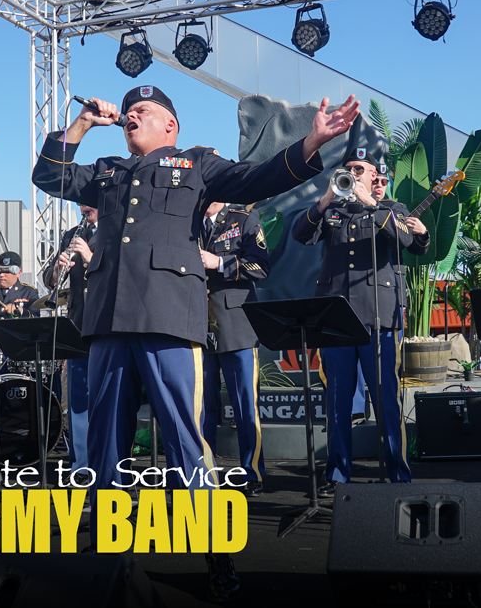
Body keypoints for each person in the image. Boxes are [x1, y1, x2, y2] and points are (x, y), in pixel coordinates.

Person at [32, 84, 354, 601]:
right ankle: (107, 561)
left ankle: (217, 557)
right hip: (108, 321)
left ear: (170, 125)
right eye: (128, 111)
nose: (131, 115)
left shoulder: (196, 163)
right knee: (105, 449)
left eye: (143, 111)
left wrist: (312, 143)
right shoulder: (108, 170)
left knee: (187, 442)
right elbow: (49, 176)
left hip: (167, 316)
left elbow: (258, 178)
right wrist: (83, 124)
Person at [292, 148, 429, 494]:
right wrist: (326, 198)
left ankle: (398, 473)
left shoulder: (392, 209)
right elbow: (300, 234)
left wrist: (371, 204)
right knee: (337, 402)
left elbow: (405, 240)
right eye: (349, 168)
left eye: (361, 169)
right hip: (337, 318)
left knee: (386, 400)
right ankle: (337, 474)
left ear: (374, 177)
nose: (354, 173)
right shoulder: (331, 210)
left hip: (378, 316)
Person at [199, 201, 271, 496]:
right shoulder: (189, 219)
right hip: (198, 325)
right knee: (202, 407)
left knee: (244, 405)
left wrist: (219, 263)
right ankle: (204, 472)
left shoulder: (243, 218)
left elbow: (261, 267)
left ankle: (252, 473)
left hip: (236, 325)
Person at [42, 203, 98, 471]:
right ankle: (81, 466)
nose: (83, 207)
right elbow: (49, 279)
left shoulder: (117, 227)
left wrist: (89, 256)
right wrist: (57, 269)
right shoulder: (72, 234)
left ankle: (109, 463)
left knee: (107, 394)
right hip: (78, 323)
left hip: (107, 322)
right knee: (77, 397)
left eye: (88, 201)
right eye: (80, 203)